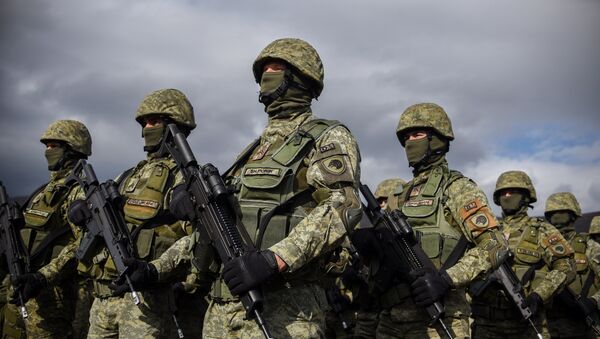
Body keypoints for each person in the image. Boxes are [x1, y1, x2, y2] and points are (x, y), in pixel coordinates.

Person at [122, 38, 363, 338]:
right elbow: (218, 229)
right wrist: (155, 269)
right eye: (262, 71)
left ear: (301, 77)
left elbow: (343, 206)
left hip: (283, 309)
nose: (266, 76)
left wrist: (274, 259)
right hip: (222, 308)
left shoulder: (326, 137)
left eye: (276, 68)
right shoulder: (251, 152)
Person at [15, 89, 207, 338]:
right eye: (144, 122)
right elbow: (91, 239)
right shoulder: (126, 177)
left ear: (175, 125)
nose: (147, 127)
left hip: (146, 305)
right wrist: (85, 219)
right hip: (103, 301)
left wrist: (154, 270)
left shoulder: (185, 177)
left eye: (155, 121)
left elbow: (198, 240)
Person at [362, 103, 509, 338]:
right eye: (406, 136)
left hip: (442, 320)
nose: (410, 141)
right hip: (391, 321)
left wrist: (447, 280)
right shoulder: (397, 196)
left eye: (417, 134)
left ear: (437, 139)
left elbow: (496, 245)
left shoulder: (458, 188)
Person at [5, 120, 93, 338]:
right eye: (47, 146)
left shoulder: (78, 193)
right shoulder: (42, 192)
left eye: (54, 146)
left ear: (72, 150)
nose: (48, 151)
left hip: (53, 300)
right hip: (21, 290)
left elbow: (82, 245)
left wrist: (41, 277)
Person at [469, 171, 575, 339]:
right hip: (486, 325)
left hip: (528, 324)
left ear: (526, 196)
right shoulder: (487, 230)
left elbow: (566, 266)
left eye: (512, 192)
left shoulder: (542, 230)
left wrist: (538, 295)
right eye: (503, 192)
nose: (507, 196)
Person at [545, 192, 598, 338]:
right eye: (553, 213)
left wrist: (593, 302)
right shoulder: (541, 248)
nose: (557, 217)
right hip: (547, 327)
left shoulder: (590, 247)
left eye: (562, 212)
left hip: (583, 326)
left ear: (573, 215)